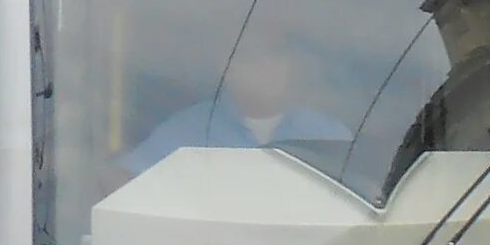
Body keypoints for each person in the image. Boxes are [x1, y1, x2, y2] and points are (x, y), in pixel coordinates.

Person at [113, 45, 351, 184]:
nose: (267, 67)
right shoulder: (186, 130)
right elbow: (120, 183)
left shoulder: (329, 133)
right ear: (227, 68)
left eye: (277, 56)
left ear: (292, 66)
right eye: (252, 58)